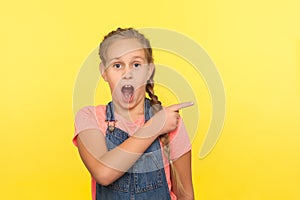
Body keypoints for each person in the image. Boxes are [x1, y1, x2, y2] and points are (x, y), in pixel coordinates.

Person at [73, 27, 194, 200]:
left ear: (149, 71)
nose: (127, 74)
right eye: (117, 65)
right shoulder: (90, 118)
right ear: (104, 72)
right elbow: (103, 172)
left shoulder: (171, 122)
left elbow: (185, 195)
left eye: (136, 65)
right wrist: (155, 127)